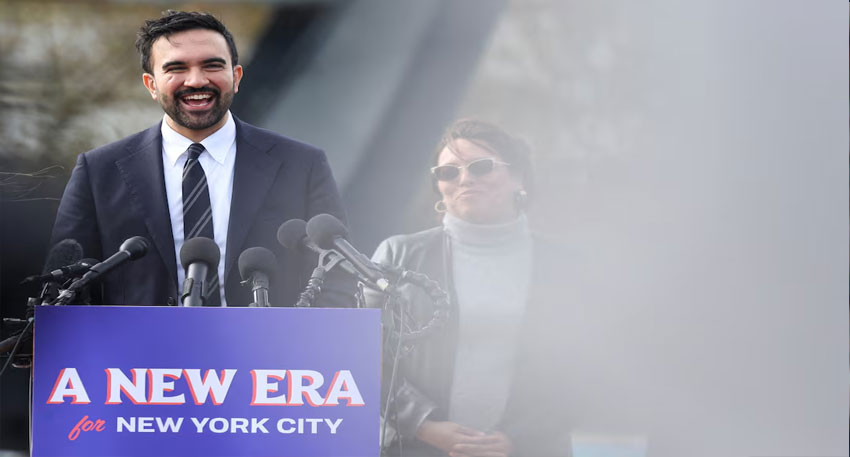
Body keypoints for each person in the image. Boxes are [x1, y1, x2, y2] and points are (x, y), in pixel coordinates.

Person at [49, 11, 350, 307]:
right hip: (137, 355)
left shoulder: (302, 166)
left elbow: (338, 281)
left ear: (236, 76)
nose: (195, 81)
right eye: (176, 68)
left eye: (212, 65)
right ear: (151, 85)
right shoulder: (98, 172)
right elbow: (64, 291)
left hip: (270, 353)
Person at [372, 119, 569, 457]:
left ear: (519, 176)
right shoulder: (397, 255)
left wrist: (517, 439)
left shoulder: (567, 266)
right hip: (416, 447)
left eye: (481, 167)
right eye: (448, 172)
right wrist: (425, 426)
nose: (465, 179)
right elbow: (362, 357)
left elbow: (585, 367)